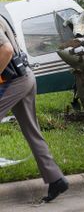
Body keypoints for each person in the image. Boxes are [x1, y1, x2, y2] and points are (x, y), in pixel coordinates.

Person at [0, 15, 68, 202]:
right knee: (32, 131)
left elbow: (6, 50)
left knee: (32, 130)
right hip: (25, 76)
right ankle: (56, 179)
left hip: (13, 81)